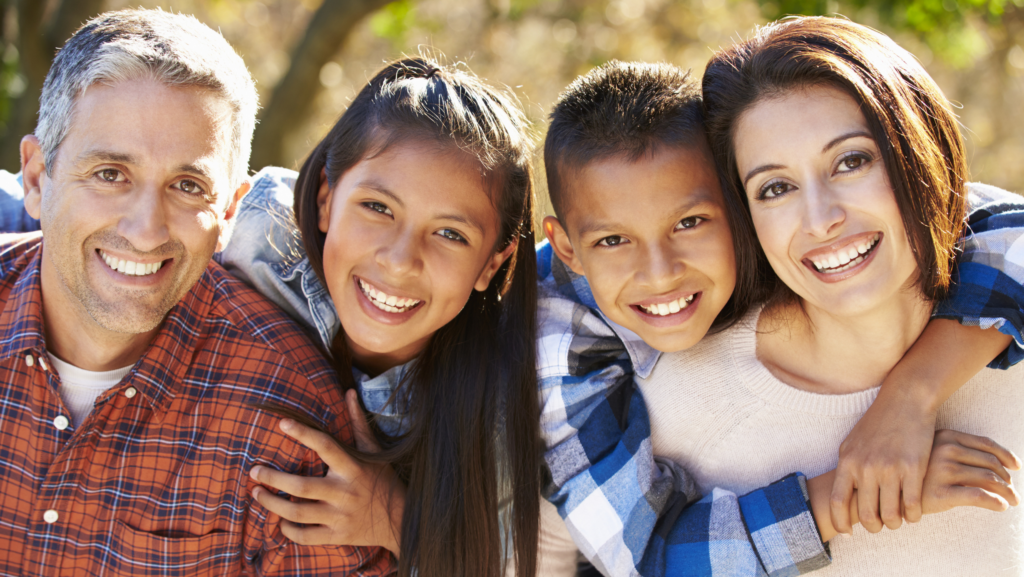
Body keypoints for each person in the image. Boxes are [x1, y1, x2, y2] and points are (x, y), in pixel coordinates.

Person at [531, 56, 1024, 576]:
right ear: (567, 247)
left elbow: (997, 223)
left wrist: (907, 397)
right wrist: (855, 492)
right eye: (613, 241)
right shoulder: (557, 340)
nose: (659, 274)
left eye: (691, 222)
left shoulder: (800, 242)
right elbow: (646, 554)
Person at [0, 9, 392, 575]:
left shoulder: (287, 420)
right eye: (111, 173)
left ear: (230, 209)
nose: (145, 229)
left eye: (188, 187)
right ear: (37, 178)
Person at [218, 58, 542, 577]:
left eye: (451, 234)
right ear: (326, 200)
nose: (399, 259)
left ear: (491, 264)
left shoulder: (498, 403)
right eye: (377, 208)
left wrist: (395, 517)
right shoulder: (255, 233)